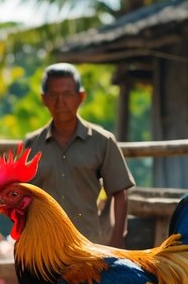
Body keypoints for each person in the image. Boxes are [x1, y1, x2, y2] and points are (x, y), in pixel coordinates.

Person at [22, 63, 135, 246]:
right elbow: (21, 197)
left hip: (88, 245)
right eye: (53, 95)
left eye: (67, 94)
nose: (61, 102)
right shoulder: (31, 144)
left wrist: (117, 237)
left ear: (80, 97)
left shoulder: (102, 141)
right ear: (44, 99)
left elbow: (120, 192)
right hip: (43, 247)